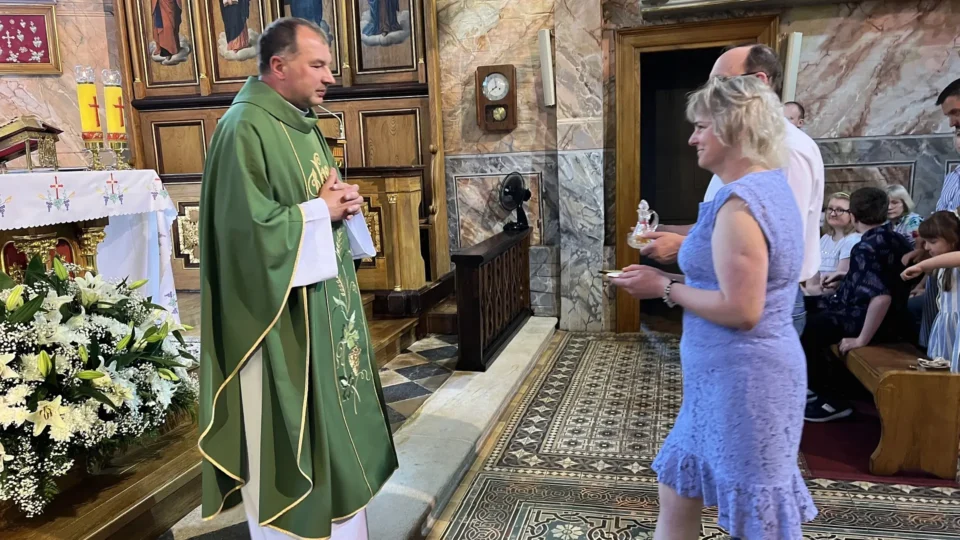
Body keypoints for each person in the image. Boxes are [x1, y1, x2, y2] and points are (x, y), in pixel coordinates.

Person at [197, 18, 398, 540]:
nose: (330, 77)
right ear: (279, 65)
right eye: (318, 65)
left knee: (339, 437)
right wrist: (318, 213)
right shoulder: (243, 128)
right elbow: (242, 237)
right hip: (276, 326)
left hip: (322, 317)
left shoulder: (303, 124)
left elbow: (318, 200)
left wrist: (344, 205)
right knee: (287, 446)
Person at [611, 76, 816, 540]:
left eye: (701, 126)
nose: (692, 138)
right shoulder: (759, 186)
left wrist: (663, 287)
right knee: (677, 487)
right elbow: (731, 278)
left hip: (748, 381)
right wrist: (674, 265)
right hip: (719, 380)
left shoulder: (742, 204)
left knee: (760, 520)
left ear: (733, 128)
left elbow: (742, 309)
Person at [640, 44, 824, 336]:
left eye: (721, 83)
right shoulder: (743, 169)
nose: (692, 139)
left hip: (766, 317)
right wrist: (668, 232)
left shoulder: (789, 152)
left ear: (757, 84)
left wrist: (669, 275)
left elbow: (772, 251)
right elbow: (724, 228)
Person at [802, 188, 914, 422]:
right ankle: (813, 386)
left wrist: (861, 339)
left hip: (871, 320)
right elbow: (889, 277)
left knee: (809, 327)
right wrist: (847, 276)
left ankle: (831, 400)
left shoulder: (865, 247)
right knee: (805, 307)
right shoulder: (896, 238)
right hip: (895, 316)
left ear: (852, 215)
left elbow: (881, 297)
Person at [906, 79, 960, 347]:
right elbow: (942, 220)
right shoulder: (954, 176)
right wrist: (924, 248)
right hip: (945, 275)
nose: (952, 123)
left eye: (956, 113)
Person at [902, 211, 960, 372]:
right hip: (946, 327)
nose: (927, 247)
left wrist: (922, 265)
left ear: (953, 239)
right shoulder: (941, 265)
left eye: (932, 242)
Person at [803, 192, 860, 296]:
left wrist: (816, 291)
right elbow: (810, 283)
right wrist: (816, 290)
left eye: (839, 210)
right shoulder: (824, 239)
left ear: (852, 214)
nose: (833, 214)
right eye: (830, 209)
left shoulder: (853, 240)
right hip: (820, 298)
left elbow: (836, 285)